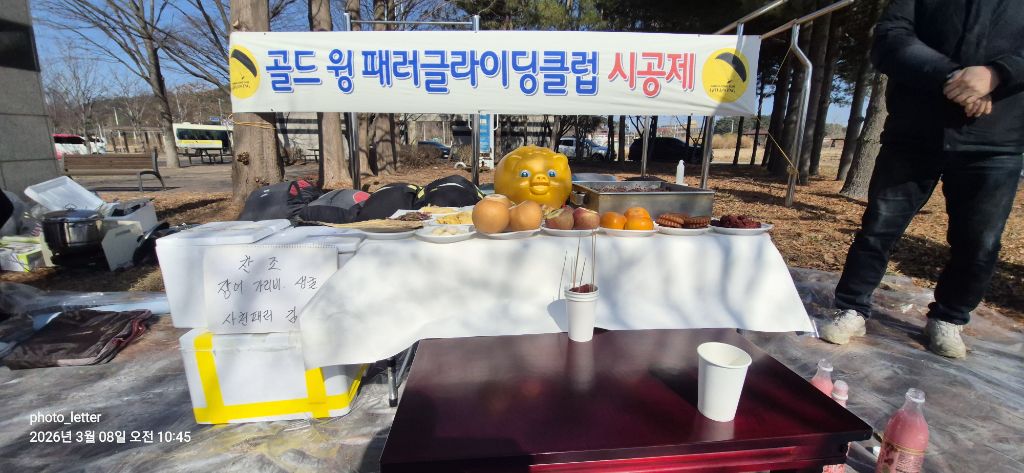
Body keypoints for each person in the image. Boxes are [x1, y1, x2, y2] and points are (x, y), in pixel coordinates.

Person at [819, 0, 1024, 358]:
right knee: (878, 228)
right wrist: (954, 78)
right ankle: (852, 307)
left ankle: (949, 317)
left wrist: (997, 74)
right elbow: (889, 37)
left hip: (996, 139)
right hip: (914, 132)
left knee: (979, 242)